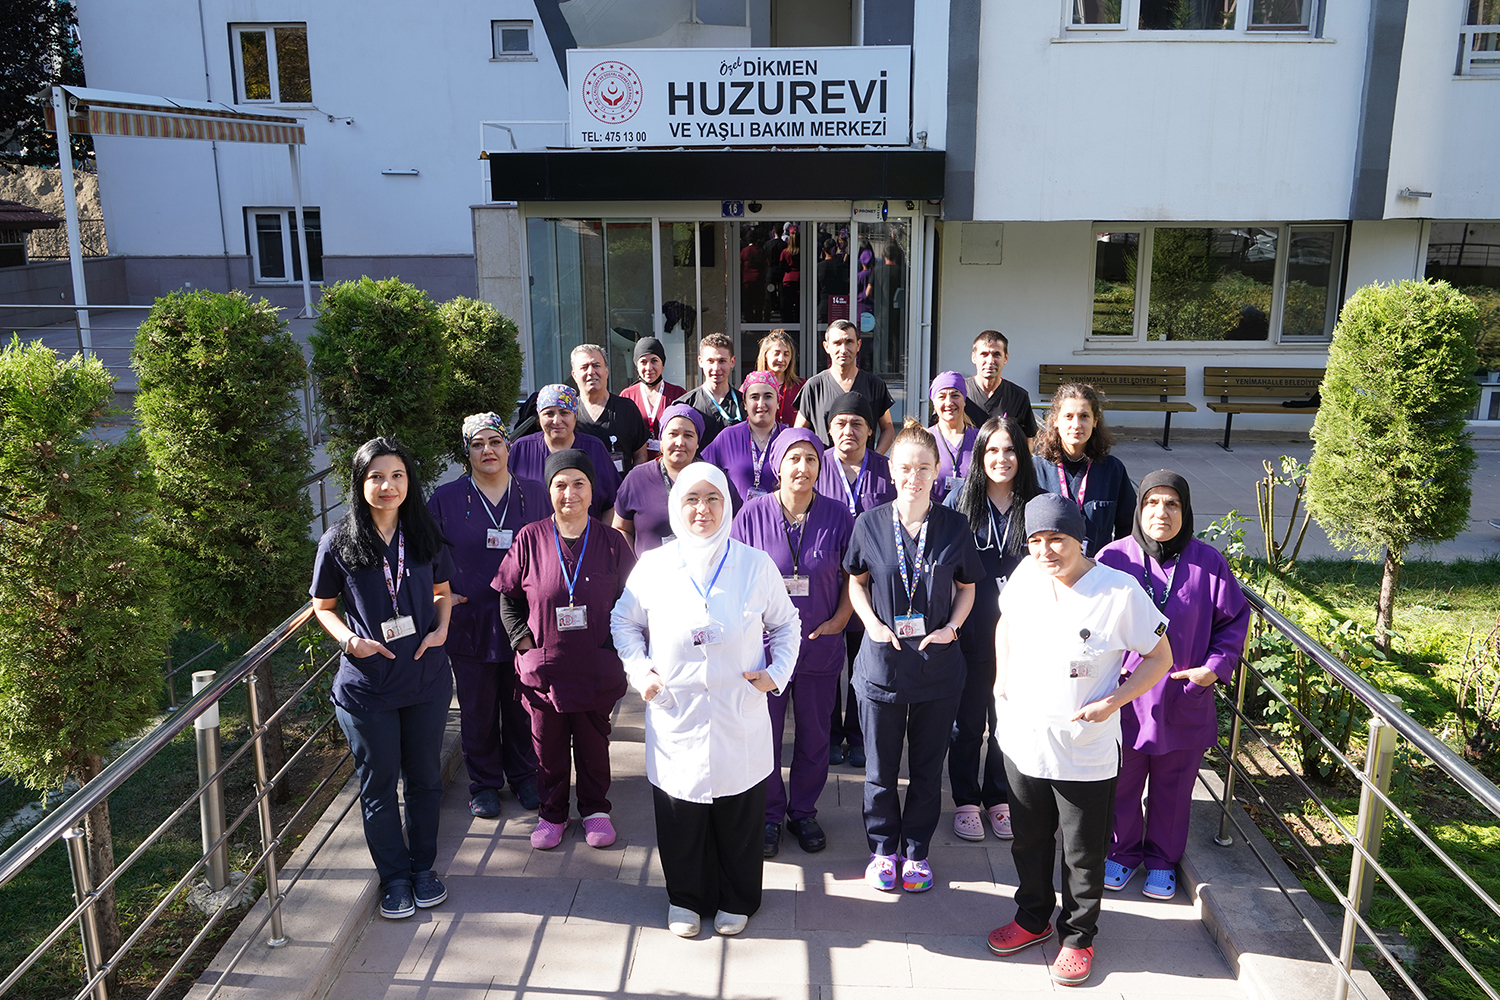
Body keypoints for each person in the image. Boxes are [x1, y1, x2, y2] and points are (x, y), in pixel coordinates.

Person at [987, 494, 1173, 988]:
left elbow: (1160, 658)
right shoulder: (1027, 576)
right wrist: (1001, 677)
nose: (1046, 551)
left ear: (1079, 539)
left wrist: (1114, 702)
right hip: (1023, 738)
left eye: (1057, 541)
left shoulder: (1119, 591)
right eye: (1036, 541)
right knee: (1027, 839)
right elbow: (1004, 623)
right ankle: (1032, 918)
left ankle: (1078, 937)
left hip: (1083, 747)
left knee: (1083, 852)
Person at [611, 463, 801, 939]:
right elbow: (623, 622)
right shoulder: (655, 565)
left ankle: (738, 898)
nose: (703, 509)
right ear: (677, 505)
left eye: (713, 498)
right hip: (677, 711)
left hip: (740, 709)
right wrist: (640, 672)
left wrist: (775, 674)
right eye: (692, 498)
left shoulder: (754, 564)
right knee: (681, 812)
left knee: (739, 809)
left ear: (727, 505)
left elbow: (787, 624)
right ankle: (686, 900)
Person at [310, 437, 454, 921]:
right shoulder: (339, 541)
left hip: (425, 678)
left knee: (425, 780)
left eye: (397, 476)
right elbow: (323, 608)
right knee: (378, 786)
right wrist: (352, 641)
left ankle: (423, 870)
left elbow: (442, 591)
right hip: (368, 686)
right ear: (359, 483)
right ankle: (393, 879)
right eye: (376, 477)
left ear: (409, 482)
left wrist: (441, 630)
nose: (388, 485)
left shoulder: (423, 531)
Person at [1097, 471, 1251, 901]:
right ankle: (1122, 852)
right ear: (1138, 509)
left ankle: (1163, 859)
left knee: (1175, 783)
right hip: (1126, 696)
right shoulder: (1112, 559)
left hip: (1183, 695)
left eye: (1172, 505)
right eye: (1152, 503)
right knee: (1122, 780)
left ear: (1185, 511)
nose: (1161, 513)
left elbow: (1234, 622)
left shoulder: (1208, 563)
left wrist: (1213, 669)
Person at [844, 419, 980, 894]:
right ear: (892, 470)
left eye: (924, 466)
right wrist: (873, 625)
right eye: (906, 467)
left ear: (937, 468)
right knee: (881, 769)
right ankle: (883, 849)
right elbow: (856, 581)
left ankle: (916, 850)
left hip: (937, 669)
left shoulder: (954, 526)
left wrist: (951, 628)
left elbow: (968, 587)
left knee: (926, 768)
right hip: (883, 666)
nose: (915, 476)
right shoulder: (870, 522)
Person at [494, 449, 636, 851]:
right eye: (560, 485)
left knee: (593, 745)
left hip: (594, 667)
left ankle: (595, 811)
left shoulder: (611, 541)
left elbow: (633, 601)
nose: (569, 493)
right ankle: (552, 813)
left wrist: (615, 648)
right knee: (547, 747)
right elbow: (507, 598)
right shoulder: (530, 538)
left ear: (592, 492)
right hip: (545, 669)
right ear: (549, 491)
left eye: (579, 484)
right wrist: (523, 644)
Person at [730, 429, 855, 859]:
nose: (803, 468)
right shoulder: (751, 514)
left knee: (816, 734)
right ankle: (768, 814)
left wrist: (840, 620)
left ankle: (803, 811)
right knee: (762, 732)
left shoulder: (838, 515)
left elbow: (853, 577)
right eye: (794, 459)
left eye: (812, 460)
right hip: (764, 649)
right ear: (777, 465)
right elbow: (733, 574)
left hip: (819, 644)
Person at [427, 415, 548, 818]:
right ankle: (483, 784)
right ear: (467, 452)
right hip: (470, 619)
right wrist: (439, 595)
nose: (488, 451)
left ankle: (526, 776)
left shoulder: (535, 493)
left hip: (523, 620)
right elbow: (426, 557)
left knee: (523, 704)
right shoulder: (445, 499)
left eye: (495, 442)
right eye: (477, 444)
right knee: (477, 709)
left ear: (508, 446)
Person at [943, 416, 1040, 843]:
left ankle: (998, 797)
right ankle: (965, 800)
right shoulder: (957, 503)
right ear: (979, 456)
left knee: (1008, 723)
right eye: (993, 450)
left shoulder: (1038, 504)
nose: (1002, 459)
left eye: (1011, 450)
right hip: (970, 633)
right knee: (966, 724)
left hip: (1022, 641)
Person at [813, 392, 897, 769]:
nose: (849, 430)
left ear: (869, 430)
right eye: (841, 423)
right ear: (829, 429)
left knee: (865, 663)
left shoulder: (887, 468)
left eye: (857, 424)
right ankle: (831, 734)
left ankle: (859, 734)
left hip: (874, 586)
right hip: (829, 582)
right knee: (830, 663)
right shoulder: (816, 465)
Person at [1031, 383, 1135, 557]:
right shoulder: (1036, 469)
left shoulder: (1113, 469)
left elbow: (1128, 526)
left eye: (1084, 416)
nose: (1076, 424)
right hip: (1050, 568)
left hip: (1098, 570)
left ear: (1095, 421)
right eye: (1069, 416)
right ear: (1055, 420)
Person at [509, 384, 621, 520]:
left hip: (588, 538)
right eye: (549, 413)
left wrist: (602, 536)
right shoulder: (522, 449)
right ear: (539, 417)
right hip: (535, 539)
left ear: (575, 415)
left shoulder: (595, 448)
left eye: (564, 413)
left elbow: (613, 503)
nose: (557, 421)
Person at [614, 403, 712, 554]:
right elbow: (621, 529)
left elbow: (732, 525)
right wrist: (633, 566)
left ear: (698, 442)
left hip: (703, 574)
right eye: (673, 434)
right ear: (661, 440)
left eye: (688, 435)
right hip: (650, 575)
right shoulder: (637, 479)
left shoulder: (713, 478)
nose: (680, 442)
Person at [794, 319, 895, 453]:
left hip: (864, 470)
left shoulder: (874, 385)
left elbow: (887, 428)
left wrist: (874, 459)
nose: (843, 349)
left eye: (849, 342)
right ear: (826, 347)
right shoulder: (814, 387)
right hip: (826, 469)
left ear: (858, 345)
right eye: (837, 343)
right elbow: (799, 432)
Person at [702, 371, 783, 501]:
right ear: (745, 403)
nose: (761, 404)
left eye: (768, 396)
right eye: (754, 397)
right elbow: (702, 473)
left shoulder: (789, 439)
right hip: (737, 519)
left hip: (778, 519)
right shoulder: (728, 437)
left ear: (778, 401)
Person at [571, 343, 650, 476]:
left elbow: (640, 456)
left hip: (620, 494)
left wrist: (631, 486)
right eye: (584, 367)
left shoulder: (627, 409)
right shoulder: (569, 413)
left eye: (596, 365)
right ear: (574, 375)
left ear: (606, 371)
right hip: (579, 494)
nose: (591, 372)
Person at [963, 330, 1039, 448]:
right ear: (974, 357)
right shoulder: (959, 393)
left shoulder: (1018, 396)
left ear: (1006, 358)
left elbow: (1027, 440)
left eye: (996, 354)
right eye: (984, 354)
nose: (990, 361)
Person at [619, 336, 685, 461]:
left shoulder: (678, 394)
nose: (649, 368)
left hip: (671, 464)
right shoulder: (626, 396)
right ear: (636, 366)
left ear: (663, 364)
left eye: (654, 361)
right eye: (643, 362)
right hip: (639, 465)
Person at [678, 332, 745, 449]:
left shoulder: (744, 403)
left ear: (732, 362)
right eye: (710, 361)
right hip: (699, 466)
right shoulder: (686, 404)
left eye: (722, 361)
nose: (716, 368)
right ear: (700, 361)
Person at [928, 370, 977, 504]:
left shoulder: (981, 439)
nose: (949, 403)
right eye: (942, 397)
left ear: (964, 400)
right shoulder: (924, 439)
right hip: (934, 519)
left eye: (955, 395)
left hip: (972, 520)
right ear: (934, 403)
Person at [756, 328, 804, 427]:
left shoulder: (802, 387)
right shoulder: (752, 386)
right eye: (776, 353)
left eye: (786, 354)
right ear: (765, 356)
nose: (781, 359)